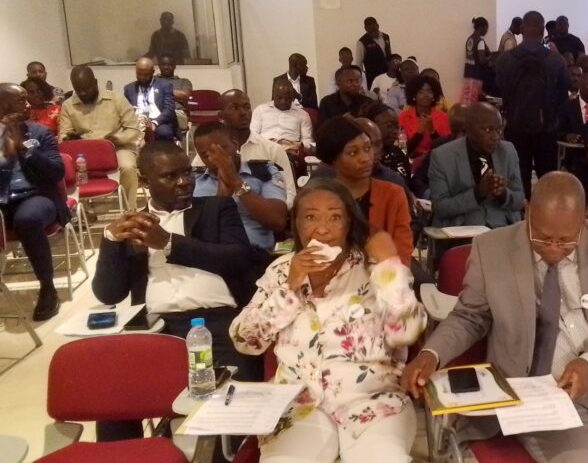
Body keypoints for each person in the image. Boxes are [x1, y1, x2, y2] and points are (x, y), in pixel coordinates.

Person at [403, 171, 588, 463]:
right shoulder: (491, 249)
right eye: (543, 237)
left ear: (585, 219)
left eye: (565, 240)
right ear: (527, 212)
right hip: (538, 389)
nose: (553, 249)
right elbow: (470, 316)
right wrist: (432, 353)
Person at [231, 178, 425, 463]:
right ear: (296, 224)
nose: (322, 229)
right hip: (298, 403)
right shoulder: (281, 270)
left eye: (335, 217)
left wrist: (389, 265)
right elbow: (245, 341)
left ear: (349, 223)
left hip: (374, 401)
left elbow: (406, 331)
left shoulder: (376, 269)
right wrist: (290, 288)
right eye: (311, 217)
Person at [92, 144, 267, 444]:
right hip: (158, 328)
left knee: (236, 411)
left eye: (188, 172)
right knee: (114, 399)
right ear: (145, 181)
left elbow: (239, 259)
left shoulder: (215, 209)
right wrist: (110, 240)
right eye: (170, 176)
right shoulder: (135, 225)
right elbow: (109, 293)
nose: (184, 182)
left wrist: (169, 243)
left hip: (219, 324)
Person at [0, 83, 68, 321]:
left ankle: (48, 289)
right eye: (21, 100)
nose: (28, 105)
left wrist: (25, 148)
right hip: (3, 200)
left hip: (37, 196)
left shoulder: (39, 133)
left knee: (26, 219)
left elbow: (56, 172)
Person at [314, 117, 414, 265]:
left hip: (385, 272)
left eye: (367, 148)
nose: (365, 158)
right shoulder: (318, 198)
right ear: (333, 160)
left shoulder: (393, 194)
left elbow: (403, 249)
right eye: (353, 153)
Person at [496, 11, 571, 197]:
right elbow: (564, 97)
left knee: (517, 178)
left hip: (515, 126)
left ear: (521, 29)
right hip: (546, 129)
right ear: (543, 30)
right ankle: (546, 212)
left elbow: (500, 90)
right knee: (547, 179)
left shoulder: (504, 59)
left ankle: (522, 212)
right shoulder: (556, 60)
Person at [192, 123, 288, 251]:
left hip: (255, 253)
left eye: (221, 150)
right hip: (212, 254)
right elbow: (198, 232)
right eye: (206, 155)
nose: (215, 158)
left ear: (235, 143)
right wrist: (221, 198)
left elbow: (277, 221)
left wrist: (236, 182)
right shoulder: (195, 181)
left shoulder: (263, 172)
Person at [428, 102, 524, 229]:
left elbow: (519, 199)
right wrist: (477, 193)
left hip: (502, 229)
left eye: (499, 130)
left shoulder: (508, 151)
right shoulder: (442, 156)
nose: (495, 137)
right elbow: (439, 208)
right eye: (487, 130)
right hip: (463, 230)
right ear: (469, 129)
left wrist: (503, 194)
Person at [59, 65, 141, 210]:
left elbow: (133, 129)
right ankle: (83, 211)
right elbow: (64, 136)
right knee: (67, 168)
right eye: (78, 90)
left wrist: (117, 138)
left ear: (95, 82)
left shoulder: (116, 100)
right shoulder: (68, 106)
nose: (83, 93)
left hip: (117, 147)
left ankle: (130, 210)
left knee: (128, 167)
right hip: (84, 153)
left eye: (86, 88)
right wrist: (70, 138)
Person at [198, 89, 297, 207]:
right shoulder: (209, 152)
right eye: (234, 108)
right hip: (219, 212)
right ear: (221, 115)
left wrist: (269, 207)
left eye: (247, 107)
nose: (243, 112)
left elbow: (290, 194)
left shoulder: (273, 150)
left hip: (263, 214)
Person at [410, 103, 468, 198]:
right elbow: (417, 181)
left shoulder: (483, 150)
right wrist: (431, 195)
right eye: (460, 132)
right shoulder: (440, 146)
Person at [398, 75, 451, 175]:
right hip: (411, 163)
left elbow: (446, 149)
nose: (425, 95)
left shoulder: (444, 117)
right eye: (420, 92)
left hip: (436, 163)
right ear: (414, 95)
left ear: (434, 95)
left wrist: (432, 132)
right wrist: (419, 133)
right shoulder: (403, 118)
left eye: (429, 91)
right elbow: (402, 150)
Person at [252, 80, 315, 156]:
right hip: (265, 150)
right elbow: (253, 135)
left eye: (287, 98)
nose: (283, 101)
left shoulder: (302, 114)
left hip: (290, 152)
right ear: (273, 95)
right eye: (279, 98)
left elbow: (307, 140)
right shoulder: (260, 110)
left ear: (293, 98)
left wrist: (298, 146)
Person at [123, 57, 178, 143]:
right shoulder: (129, 88)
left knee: (164, 133)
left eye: (145, 75)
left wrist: (155, 123)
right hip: (137, 121)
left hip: (159, 121)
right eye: (139, 74)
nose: (142, 77)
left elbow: (169, 110)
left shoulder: (164, 85)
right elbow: (126, 110)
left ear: (152, 72)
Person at [157, 54, 193, 132]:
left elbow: (184, 95)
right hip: (156, 112)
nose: (166, 67)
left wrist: (158, 92)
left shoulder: (183, 81)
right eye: (163, 65)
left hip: (177, 113)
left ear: (174, 66)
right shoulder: (153, 79)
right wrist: (174, 94)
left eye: (169, 65)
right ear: (159, 66)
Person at [356, 17, 393, 91]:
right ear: (365, 29)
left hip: (386, 74)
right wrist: (361, 80)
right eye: (370, 31)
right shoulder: (362, 42)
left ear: (377, 26)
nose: (373, 33)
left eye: (374, 29)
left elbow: (389, 54)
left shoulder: (386, 37)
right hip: (372, 76)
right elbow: (359, 63)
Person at [462, 17, 493, 105]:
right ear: (481, 27)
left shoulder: (470, 39)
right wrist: (491, 57)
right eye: (486, 28)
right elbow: (482, 60)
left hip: (468, 74)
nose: (487, 31)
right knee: (474, 103)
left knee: (467, 101)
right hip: (477, 76)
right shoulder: (480, 41)